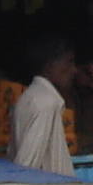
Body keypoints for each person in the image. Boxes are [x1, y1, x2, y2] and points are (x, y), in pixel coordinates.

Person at [12, 37, 77, 175]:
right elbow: (27, 166)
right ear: (50, 66)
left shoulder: (30, 96)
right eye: (69, 62)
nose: (74, 70)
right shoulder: (46, 103)